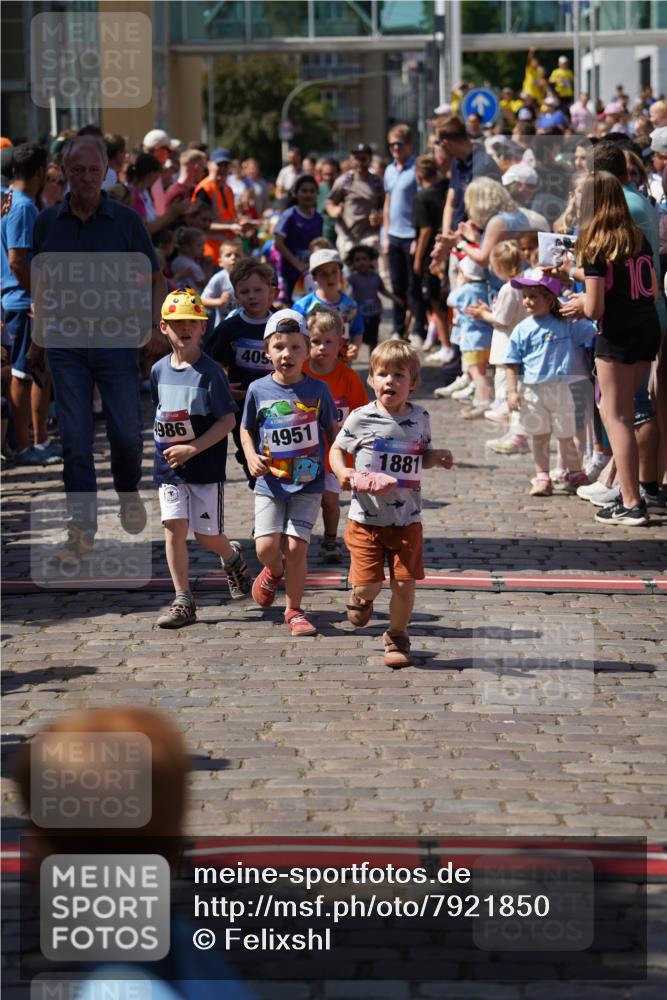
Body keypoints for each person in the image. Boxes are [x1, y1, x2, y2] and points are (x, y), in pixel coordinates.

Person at [32, 134, 166, 559]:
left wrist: (153, 327)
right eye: (77, 171)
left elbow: (156, 277)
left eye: (93, 170)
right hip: (66, 344)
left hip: (118, 340)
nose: (86, 178)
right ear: (66, 173)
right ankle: (81, 532)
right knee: (75, 438)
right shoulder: (47, 222)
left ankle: (128, 489)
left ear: (106, 171)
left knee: (127, 434)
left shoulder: (126, 222)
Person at [329, 340, 453, 669]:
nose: (390, 381)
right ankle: (360, 597)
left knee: (404, 582)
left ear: (413, 383)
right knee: (370, 584)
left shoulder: (420, 417)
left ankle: (397, 635)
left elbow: (420, 456)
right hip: (366, 519)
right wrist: (344, 472)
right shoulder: (361, 417)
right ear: (371, 379)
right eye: (382, 374)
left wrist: (435, 458)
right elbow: (337, 449)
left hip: (406, 518)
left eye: (399, 375)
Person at [151, 287, 251, 627]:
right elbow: (162, 413)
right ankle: (183, 600)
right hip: (169, 468)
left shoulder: (210, 374)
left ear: (203, 327)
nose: (185, 327)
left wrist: (193, 447)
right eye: (177, 321)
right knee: (173, 529)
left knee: (205, 537)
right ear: (163, 326)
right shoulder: (158, 370)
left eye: (192, 321)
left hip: (204, 468)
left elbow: (228, 420)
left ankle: (232, 557)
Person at [240, 309, 338, 636]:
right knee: (265, 548)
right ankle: (272, 571)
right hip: (269, 481)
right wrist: (251, 454)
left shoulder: (319, 390)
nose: (287, 354)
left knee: (297, 547)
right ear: (266, 352)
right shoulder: (257, 390)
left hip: (309, 483)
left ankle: (294, 610)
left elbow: (333, 432)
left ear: (307, 351)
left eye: (296, 347)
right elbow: (245, 428)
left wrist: (342, 466)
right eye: (279, 347)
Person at [574, 172, 662, 525]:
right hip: (646, 326)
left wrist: (579, 301)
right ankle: (638, 492)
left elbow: (594, 309)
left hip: (618, 333)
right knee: (633, 411)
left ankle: (630, 501)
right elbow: (650, 286)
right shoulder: (635, 236)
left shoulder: (596, 242)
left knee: (617, 417)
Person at [504, 269, 595, 497]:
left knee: (566, 435)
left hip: (562, 390)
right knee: (540, 436)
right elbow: (512, 363)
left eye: (533, 296)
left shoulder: (567, 324)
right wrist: (512, 391)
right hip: (533, 391)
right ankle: (542, 475)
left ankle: (574, 472)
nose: (527, 301)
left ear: (549, 298)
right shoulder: (522, 330)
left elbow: (593, 332)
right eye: (525, 296)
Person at [0, 142, 62, 468]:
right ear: (40, 172)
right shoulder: (22, 207)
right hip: (23, 302)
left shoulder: (13, 202)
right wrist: (38, 296)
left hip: (23, 299)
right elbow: (16, 260)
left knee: (36, 372)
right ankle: (23, 446)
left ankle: (37, 440)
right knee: (23, 374)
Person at [303, 308, 368, 563]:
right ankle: (297, 539)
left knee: (330, 501)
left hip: (334, 452)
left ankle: (330, 540)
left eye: (328, 342)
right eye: (316, 342)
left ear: (340, 343)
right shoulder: (300, 373)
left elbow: (361, 412)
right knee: (305, 500)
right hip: (305, 449)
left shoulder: (347, 376)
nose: (322, 347)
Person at [209, 258, 276, 489]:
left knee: (274, 447)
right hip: (242, 402)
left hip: (277, 400)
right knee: (246, 445)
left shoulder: (281, 324)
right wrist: (223, 387)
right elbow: (211, 361)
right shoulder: (230, 327)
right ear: (236, 294)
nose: (252, 296)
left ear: (271, 290)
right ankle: (256, 480)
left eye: (258, 290)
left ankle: (272, 485)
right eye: (244, 291)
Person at [465, 240, 529, 449]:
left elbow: (501, 319)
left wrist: (483, 314)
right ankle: (515, 432)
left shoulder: (509, 288)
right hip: (519, 345)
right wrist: (489, 310)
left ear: (498, 267)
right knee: (515, 391)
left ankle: (516, 434)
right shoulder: (524, 284)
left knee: (506, 393)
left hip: (507, 347)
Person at [383, 124, 422, 342]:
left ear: (408, 144)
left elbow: (419, 205)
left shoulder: (416, 168)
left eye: (399, 144)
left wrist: (417, 236)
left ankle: (417, 329)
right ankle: (398, 328)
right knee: (396, 286)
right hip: (394, 235)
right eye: (391, 145)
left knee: (413, 287)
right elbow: (387, 203)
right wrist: (385, 235)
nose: (395, 148)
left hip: (411, 236)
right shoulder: (389, 170)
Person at [412, 154, 451, 362]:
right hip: (450, 248)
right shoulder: (447, 187)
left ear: (419, 176)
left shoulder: (422, 197)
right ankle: (444, 341)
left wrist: (418, 259)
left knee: (435, 301)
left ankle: (446, 345)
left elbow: (425, 230)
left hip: (432, 254)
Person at [292, 248, 363, 360]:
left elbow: (357, 331)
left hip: (341, 365)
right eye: (323, 274)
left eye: (334, 271)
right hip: (310, 367)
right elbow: (293, 335)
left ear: (341, 274)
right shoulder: (302, 307)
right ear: (314, 277)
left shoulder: (351, 306)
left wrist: (355, 347)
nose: (330, 277)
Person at [446, 257, 493, 418]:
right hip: (488, 337)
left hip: (471, 340)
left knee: (476, 373)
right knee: (484, 371)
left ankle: (482, 403)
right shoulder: (487, 287)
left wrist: (459, 284)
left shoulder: (465, 290)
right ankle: (482, 400)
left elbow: (450, 300)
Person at [325, 143, 384, 262]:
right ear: (351, 160)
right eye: (357, 158)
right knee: (347, 277)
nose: (360, 162)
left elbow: (386, 207)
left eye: (364, 159)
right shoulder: (343, 181)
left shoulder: (378, 182)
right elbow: (330, 201)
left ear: (370, 160)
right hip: (347, 237)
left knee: (370, 275)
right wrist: (334, 210)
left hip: (369, 237)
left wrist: (380, 217)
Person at [273, 174, 323, 303]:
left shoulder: (318, 218)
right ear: (295, 194)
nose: (308, 194)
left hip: (311, 273)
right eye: (304, 191)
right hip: (291, 273)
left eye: (312, 191)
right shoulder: (289, 215)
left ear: (317, 193)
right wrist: (298, 264)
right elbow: (278, 243)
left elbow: (319, 244)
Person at [346, 244, 401, 352]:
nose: (361, 262)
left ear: (371, 260)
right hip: (358, 315)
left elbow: (383, 290)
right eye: (357, 260)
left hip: (374, 314)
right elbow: (346, 293)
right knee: (357, 338)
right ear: (353, 263)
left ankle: (374, 362)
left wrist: (396, 299)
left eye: (364, 259)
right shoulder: (352, 278)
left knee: (373, 340)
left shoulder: (375, 277)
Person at [192, 147, 239, 262]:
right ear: (209, 165)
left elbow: (230, 218)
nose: (222, 169)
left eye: (225, 165)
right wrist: (230, 227)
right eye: (219, 164)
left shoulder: (228, 189)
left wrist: (241, 224)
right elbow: (199, 223)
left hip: (227, 253)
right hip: (209, 253)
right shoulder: (205, 189)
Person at [200, 236, 242, 326]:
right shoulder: (219, 278)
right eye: (228, 255)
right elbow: (202, 300)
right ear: (220, 262)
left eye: (237, 255)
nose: (233, 258)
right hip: (223, 327)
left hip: (244, 325)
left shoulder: (249, 277)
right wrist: (219, 301)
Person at [170, 226, 207, 292]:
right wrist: (208, 266)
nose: (203, 249)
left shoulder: (176, 261)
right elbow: (204, 283)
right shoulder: (192, 265)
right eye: (199, 246)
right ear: (187, 247)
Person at [316, 156, 340, 243]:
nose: (329, 178)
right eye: (326, 174)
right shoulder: (318, 189)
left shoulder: (344, 189)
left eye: (332, 174)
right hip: (324, 231)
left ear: (338, 173)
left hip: (341, 231)